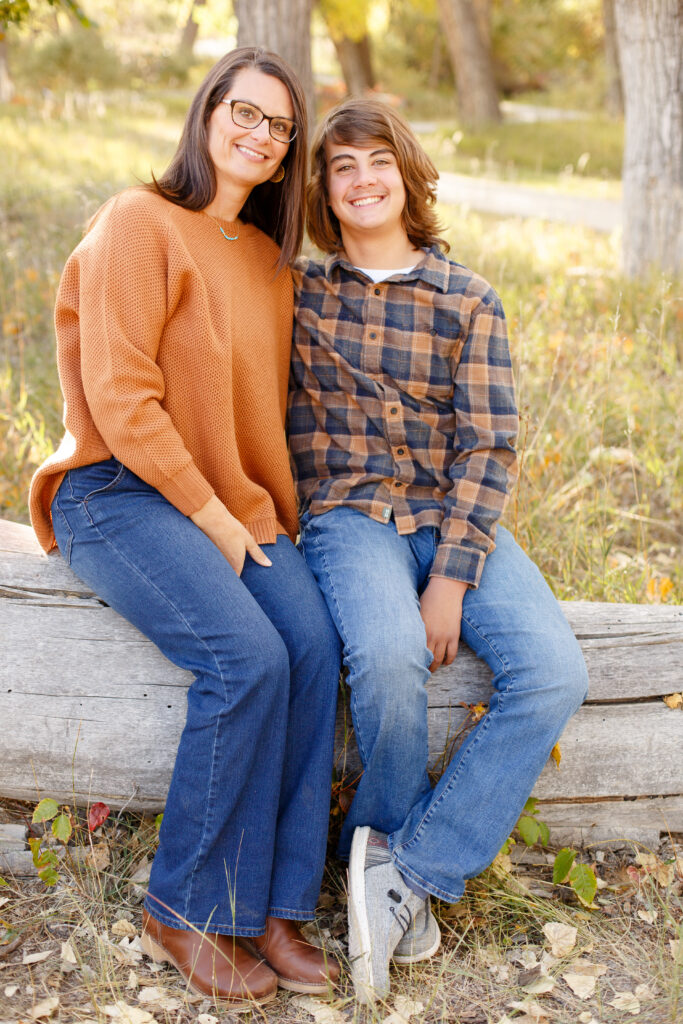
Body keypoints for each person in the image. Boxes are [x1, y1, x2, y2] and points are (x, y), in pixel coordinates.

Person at [29, 47, 342, 1008]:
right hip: (117, 491)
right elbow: (123, 401)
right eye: (240, 112)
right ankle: (187, 907)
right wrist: (211, 515)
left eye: (277, 126)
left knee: (316, 649)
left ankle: (274, 904)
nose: (256, 133)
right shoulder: (138, 222)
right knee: (245, 658)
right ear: (207, 116)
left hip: (225, 498)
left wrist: (257, 512)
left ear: (288, 154)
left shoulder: (267, 264)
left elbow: (260, 417)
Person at [289, 98, 589, 1004]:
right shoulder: (300, 293)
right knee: (384, 657)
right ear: (326, 192)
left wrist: (452, 579)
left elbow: (488, 445)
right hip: (349, 517)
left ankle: (406, 871)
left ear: (407, 175)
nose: (362, 179)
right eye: (342, 167)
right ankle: (376, 857)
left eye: (377, 160)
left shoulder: (468, 300)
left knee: (553, 671)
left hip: (454, 516)